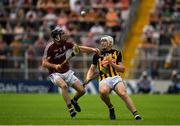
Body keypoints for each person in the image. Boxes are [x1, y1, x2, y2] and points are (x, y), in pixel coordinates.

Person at [42, 25, 100, 118]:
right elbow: (44, 63)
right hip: (55, 73)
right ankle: (70, 108)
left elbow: (79, 48)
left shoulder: (66, 43)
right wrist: (54, 66)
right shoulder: (50, 47)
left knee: (82, 91)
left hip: (66, 71)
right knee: (64, 86)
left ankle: (74, 100)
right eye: (62, 34)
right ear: (57, 37)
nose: (64, 35)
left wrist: (92, 49)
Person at [86, 35, 142, 120]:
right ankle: (110, 107)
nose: (102, 43)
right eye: (102, 41)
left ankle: (136, 114)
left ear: (110, 43)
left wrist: (111, 63)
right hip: (103, 79)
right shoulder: (97, 54)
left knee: (123, 93)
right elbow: (91, 69)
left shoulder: (117, 53)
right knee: (103, 92)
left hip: (115, 77)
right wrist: (88, 78)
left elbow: (122, 69)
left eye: (105, 41)